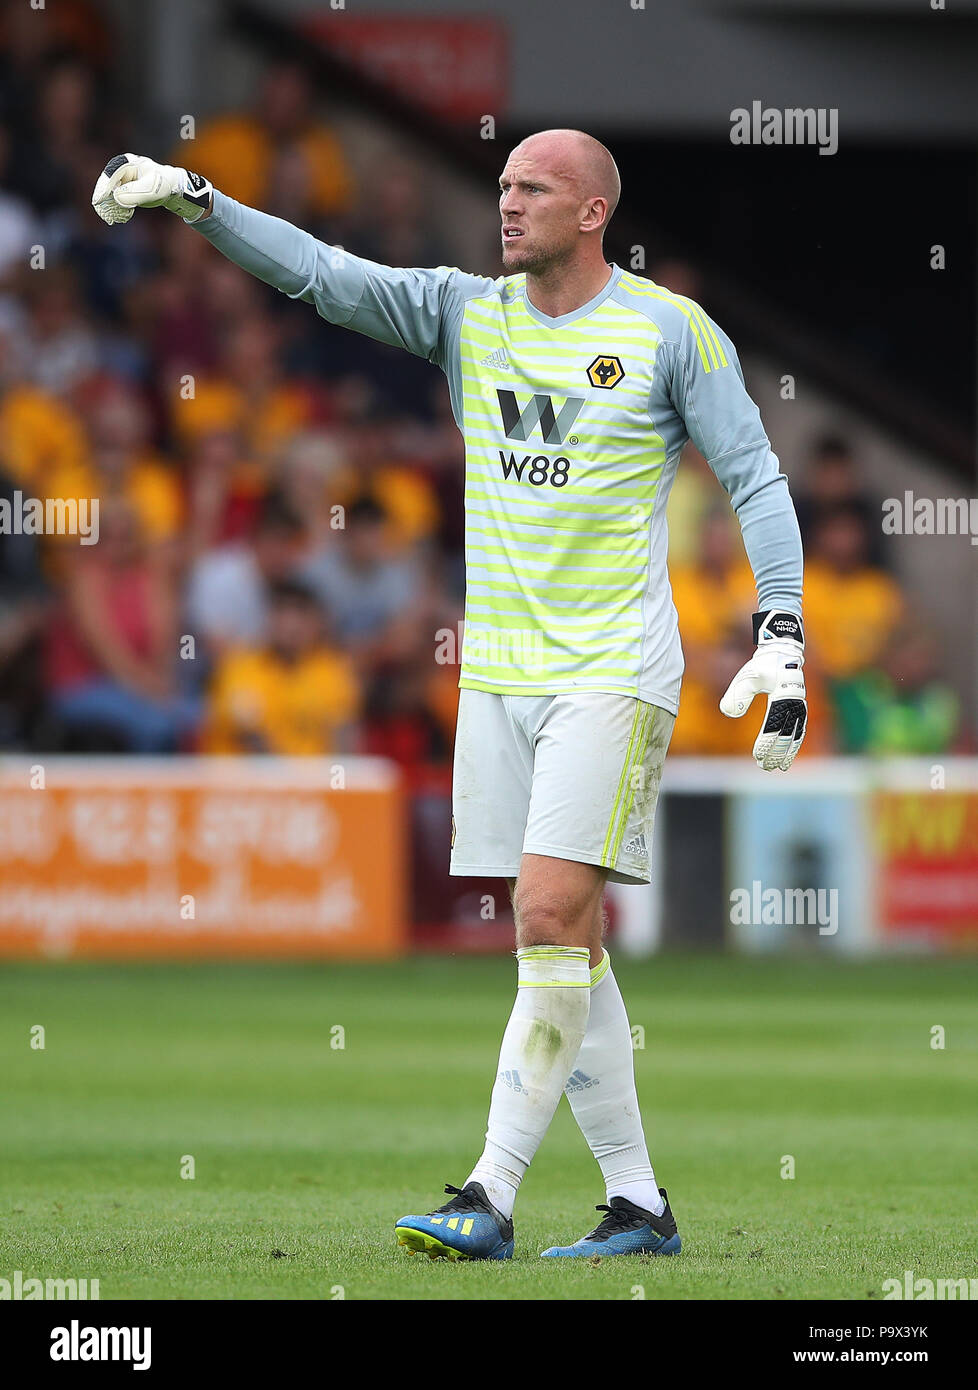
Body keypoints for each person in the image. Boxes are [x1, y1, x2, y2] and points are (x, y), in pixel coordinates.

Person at [92, 131, 807, 1262]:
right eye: (504, 185)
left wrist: (781, 626)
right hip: (499, 675)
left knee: (541, 912)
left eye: (534, 189)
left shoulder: (670, 330)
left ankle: (489, 1192)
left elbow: (758, 474)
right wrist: (199, 201)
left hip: (612, 671)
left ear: (594, 211)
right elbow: (321, 276)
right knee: (570, 934)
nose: (508, 203)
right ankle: (638, 1204)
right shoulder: (466, 312)